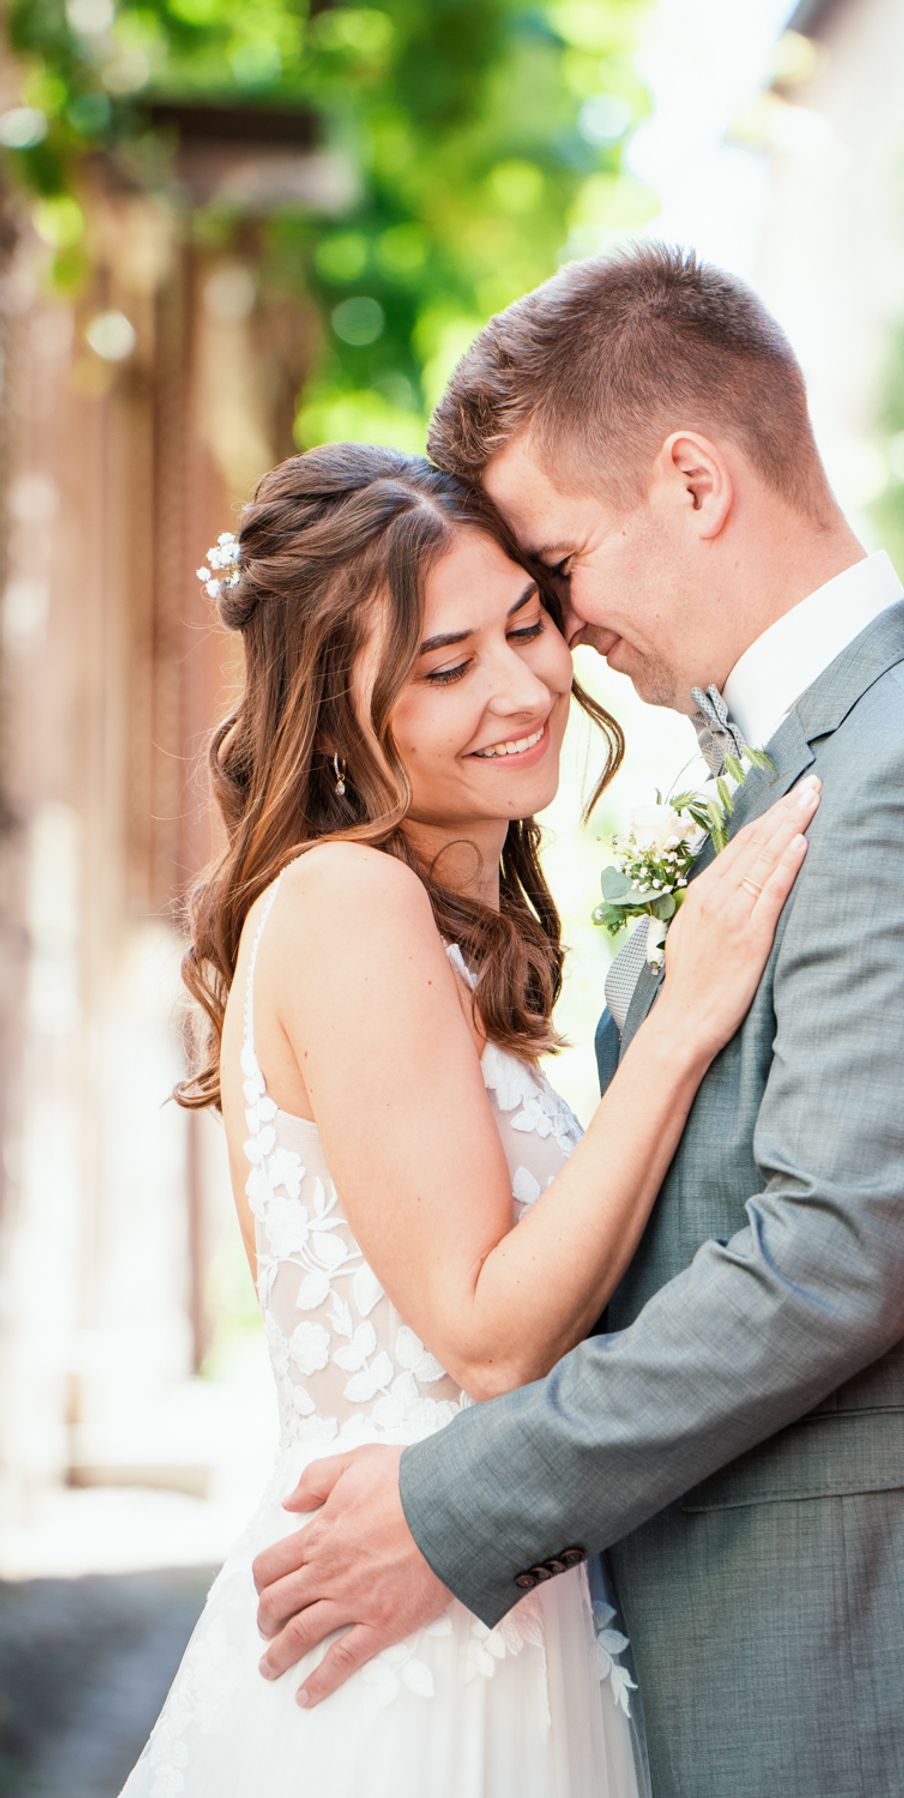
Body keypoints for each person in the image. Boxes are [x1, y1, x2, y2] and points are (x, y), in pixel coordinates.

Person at [252, 246, 904, 1798]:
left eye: (556, 569)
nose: (560, 635)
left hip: (900, 1674)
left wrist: (453, 1504)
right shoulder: (817, 767)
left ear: (691, 481)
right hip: (789, 1667)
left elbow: (828, 1257)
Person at [118, 442, 820, 1797]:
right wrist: (685, 1021)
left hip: (495, 1605)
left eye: (527, 624)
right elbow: (490, 1336)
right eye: (446, 667)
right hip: (405, 1654)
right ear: (334, 720)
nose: (521, 687)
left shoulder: (440, 931)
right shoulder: (350, 903)